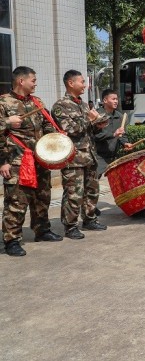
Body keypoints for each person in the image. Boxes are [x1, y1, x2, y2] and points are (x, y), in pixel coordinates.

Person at [0, 66, 62, 256]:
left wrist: (58, 139)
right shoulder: (3, 102)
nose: (35, 84)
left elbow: (47, 126)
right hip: (15, 160)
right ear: (21, 81)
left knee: (42, 197)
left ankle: (41, 230)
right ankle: (11, 240)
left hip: (38, 159)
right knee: (16, 201)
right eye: (33, 80)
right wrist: (7, 122)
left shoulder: (37, 102)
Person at [52, 69, 108, 240]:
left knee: (92, 190)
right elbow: (68, 129)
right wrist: (90, 120)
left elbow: (87, 128)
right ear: (71, 83)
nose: (85, 85)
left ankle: (89, 218)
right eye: (82, 82)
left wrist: (97, 124)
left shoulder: (83, 104)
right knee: (73, 193)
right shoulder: (61, 105)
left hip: (89, 155)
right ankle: (70, 226)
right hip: (73, 158)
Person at [94, 89, 134, 175]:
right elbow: (95, 136)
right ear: (105, 100)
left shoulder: (120, 116)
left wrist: (125, 143)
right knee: (93, 185)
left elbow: (122, 135)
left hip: (114, 156)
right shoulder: (97, 116)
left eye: (117, 99)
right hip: (98, 157)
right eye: (113, 99)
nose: (116, 101)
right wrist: (113, 134)